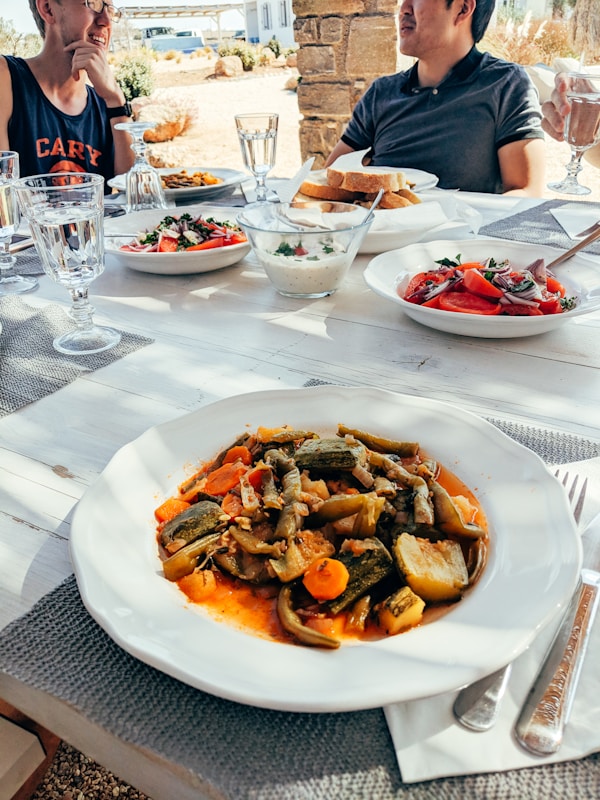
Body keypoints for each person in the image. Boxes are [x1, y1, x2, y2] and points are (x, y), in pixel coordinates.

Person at [325, 0, 546, 196]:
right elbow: (330, 179)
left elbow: (526, 192)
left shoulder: (505, 84)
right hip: (382, 237)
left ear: (463, 8)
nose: (403, 9)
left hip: (462, 239)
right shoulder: (381, 93)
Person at [0, 0, 134, 184]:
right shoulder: (6, 79)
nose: (106, 21)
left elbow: (136, 197)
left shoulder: (108, 104)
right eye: (92, 3)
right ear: (48, 9)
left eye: (110, 10)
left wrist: (117, 101)